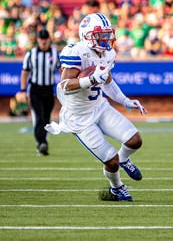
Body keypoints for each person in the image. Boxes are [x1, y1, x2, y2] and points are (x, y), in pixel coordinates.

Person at [45, 13, 147, 201]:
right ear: (86, 35)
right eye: (100, 35)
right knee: (111, 161)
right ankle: (116, 187)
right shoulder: (76, 52)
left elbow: (107, 81)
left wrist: (125, 101)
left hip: (99, 107)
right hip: (79, 118)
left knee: (135, 141)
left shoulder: (108, 53)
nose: (105, 39)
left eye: (107, 34)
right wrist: (90, 79)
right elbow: (64, 87)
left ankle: (125, 158)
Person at [19, 29, 60, 155]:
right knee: (39, 117)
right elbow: (25, 72)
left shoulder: (55, 53)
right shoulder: (31, 54)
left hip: (48, 89)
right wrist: (22, 90)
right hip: (35, 89)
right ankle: (42, 143)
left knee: (47, 118)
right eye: (41, 39)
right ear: (38, 40)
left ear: (49, 39)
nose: (43, 41)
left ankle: (41, 144)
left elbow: (62, 70)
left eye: (45, 38)